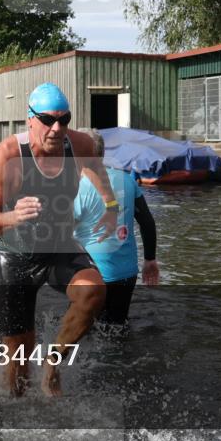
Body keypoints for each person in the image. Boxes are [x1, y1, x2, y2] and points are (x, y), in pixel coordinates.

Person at [0, 82, 119, 397]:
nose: (57, 128)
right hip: (15, 258)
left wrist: (111, 206)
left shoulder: (78, 144)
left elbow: (96, 170)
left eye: (64, 119)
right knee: (18, 369)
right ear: (29, 119)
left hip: (59, 248)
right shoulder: (7, 156)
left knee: (94, 292)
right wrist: (13, 217)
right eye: (47, 120)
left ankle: (53, 361)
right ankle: (15, 419)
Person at [73, 129, 159, 326]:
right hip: (127, 273)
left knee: (84, 330)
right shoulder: (127, 180)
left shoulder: (78, 188)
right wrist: (150, 260)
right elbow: (147, 222)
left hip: (93, 275)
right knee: (117, 327)